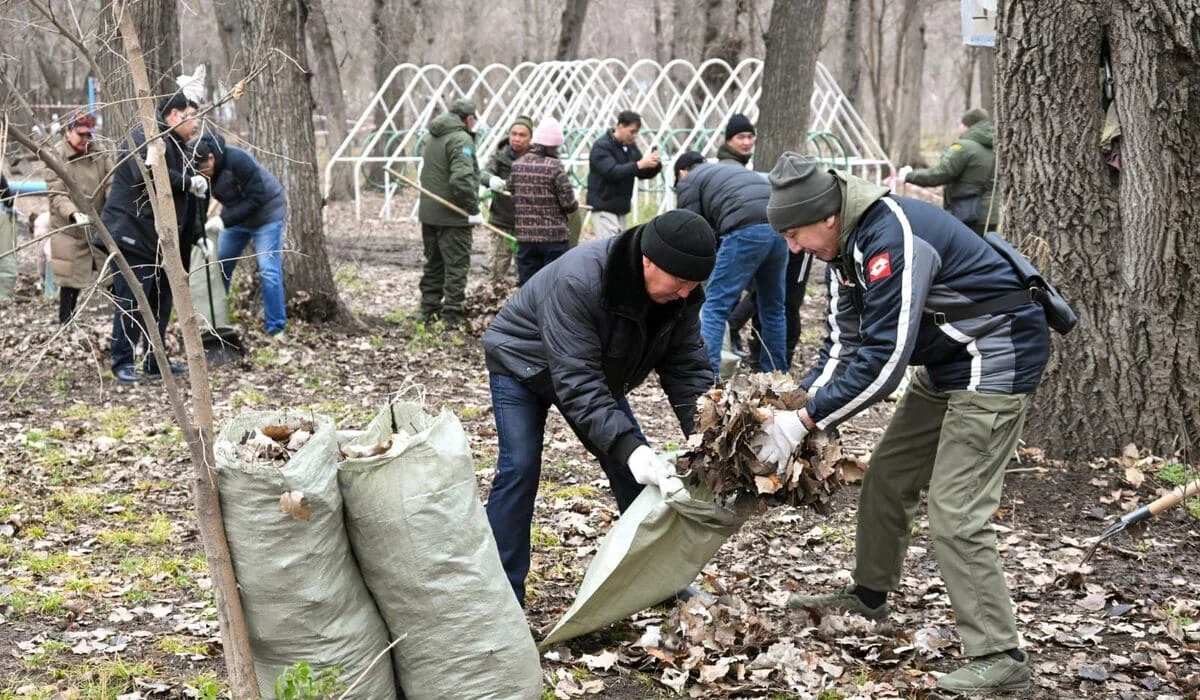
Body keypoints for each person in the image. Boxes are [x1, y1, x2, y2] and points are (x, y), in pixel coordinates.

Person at [756, 152, 1049, 696]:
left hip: (997, 352)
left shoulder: (894, 238)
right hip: (949, 358)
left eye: (794, 234)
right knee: (889, 476)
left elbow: (884, 364)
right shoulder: (844, 248)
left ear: (826, 217)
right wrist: (797, 406)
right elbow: (845, 343)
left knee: (956, 507)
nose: (792, 248)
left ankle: (1001, 656)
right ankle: (869, 597)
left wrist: (805, 421)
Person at [482, 209, 717, 606]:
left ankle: (661, 581)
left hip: (591, 373)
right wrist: (631, 448)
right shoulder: (581, 280)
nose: (685, 293)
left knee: (635, 475)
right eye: (679, 282)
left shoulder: (682, 294)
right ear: (647, 260)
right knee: (519, 467)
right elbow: (577, 382)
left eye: (694, 285)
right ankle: (501, 595)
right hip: (522, 364)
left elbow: (687, 368)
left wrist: (712, 431)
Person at [101, 92, 205, 384]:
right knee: (133, 298)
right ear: (174, 114)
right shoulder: (146, 138)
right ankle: (122, 361)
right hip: (131, 234)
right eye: (192, 115)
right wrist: (186, 181)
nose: (196, 124)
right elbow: (147, 172)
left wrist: (196, 235)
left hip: (157, 242)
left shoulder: (177, 146)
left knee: (161, 300)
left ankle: (154, 360)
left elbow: (183, 203)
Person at [672, 151, 788, 376]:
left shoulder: (688, 182)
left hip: (744, 229)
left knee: (714, 306)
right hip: (778, 227)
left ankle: (706, 378)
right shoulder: (724, 171)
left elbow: (692, 232)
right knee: (773, 308)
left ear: (681, 173)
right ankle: (777, 377)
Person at [194, 133, 288, 336]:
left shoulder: (238, 160)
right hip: (237, 219)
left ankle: (276, 328)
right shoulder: (202, 172)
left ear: (211, 158)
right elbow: (200, 202)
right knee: (220, 266)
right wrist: (199, 232)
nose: (203, 174)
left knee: (268, 269)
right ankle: (216, 324)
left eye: (203, 169)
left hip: (267, 215)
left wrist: (223, 221)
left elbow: (256, 198)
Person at [417, 98, 482, 326]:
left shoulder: (432, 137)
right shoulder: (461, 138)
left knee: (434, 263)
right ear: (469, 119)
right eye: (474, 120)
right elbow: (461, 179)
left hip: (429, 213)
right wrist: (472, 209)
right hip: (453, 216)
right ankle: (451, 315)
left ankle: (428, 310)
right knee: (456, 266)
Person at [44, 111, 113, 324]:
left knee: (114, 279)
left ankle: (127, 323)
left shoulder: (99, 153)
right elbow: (57, 193)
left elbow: (112, 182)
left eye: (88, 135)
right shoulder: (55, 156)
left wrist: (113, 208)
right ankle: (65, 326)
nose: (86, 139)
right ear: (68, 131)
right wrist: (74, 214)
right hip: (71, 231)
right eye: (81, 134)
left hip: (100, 226)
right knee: (70, 285)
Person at [898, 108, 998, 235]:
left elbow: (941, 174)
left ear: (968, 125)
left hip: (968, 213)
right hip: (991, 214)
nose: (959, 127)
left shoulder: (964, 147)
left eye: (961, 124)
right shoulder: (994, 146)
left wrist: (910, 175)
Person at [507, 117, 579, 285]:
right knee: (552, 285)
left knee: (528, 287)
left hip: (525, 238)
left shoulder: (517, 165)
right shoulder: (555, 166)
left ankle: (529, 312)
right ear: (553, 146)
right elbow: (569, 204)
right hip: (553, 238)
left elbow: (512, 191)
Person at [585, 111, 661, 238]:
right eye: (632, 131)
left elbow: (640, 172)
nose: (634, 135)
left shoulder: (630, 147)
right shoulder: (602, 146)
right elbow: (612, 172)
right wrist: (639, 164)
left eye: (636, 132)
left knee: (618, 247)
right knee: (608, 248)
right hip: (603, 206)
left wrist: (654, 164)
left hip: (621, 207)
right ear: (620, 126)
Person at [481, 115, 533, 282]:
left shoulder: (537, 158)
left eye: (522, 135)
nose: (517, 139)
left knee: (527, 275)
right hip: (501, 221)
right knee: (495, 271)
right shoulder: (500, 155)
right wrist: (491, 180)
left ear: (530, 138)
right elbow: (483, 172)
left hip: (529, 224)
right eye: (514, 134)